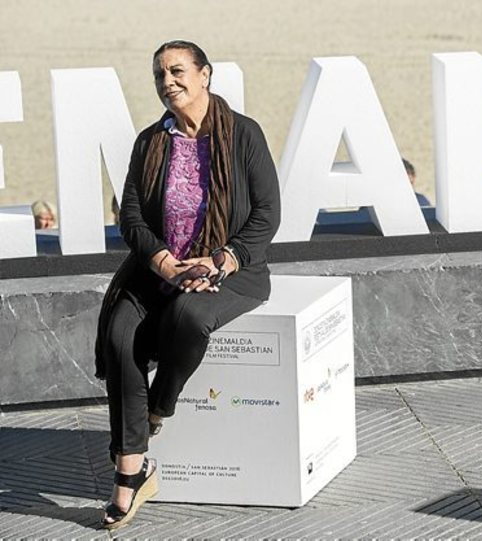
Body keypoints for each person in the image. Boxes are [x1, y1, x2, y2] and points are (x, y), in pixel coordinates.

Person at [94, 40, 280, 529]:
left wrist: (222, 260)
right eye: (160, 75)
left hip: (232, 272)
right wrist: (164, 264)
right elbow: (130, 216)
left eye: (177, 71)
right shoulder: (150, 142)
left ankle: (158, 407)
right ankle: (131, 475)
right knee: (120, 336)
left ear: (205, 75)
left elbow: (267, 212)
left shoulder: (244, 134)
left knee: (189, 316)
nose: (167, 81)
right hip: (158, 271)